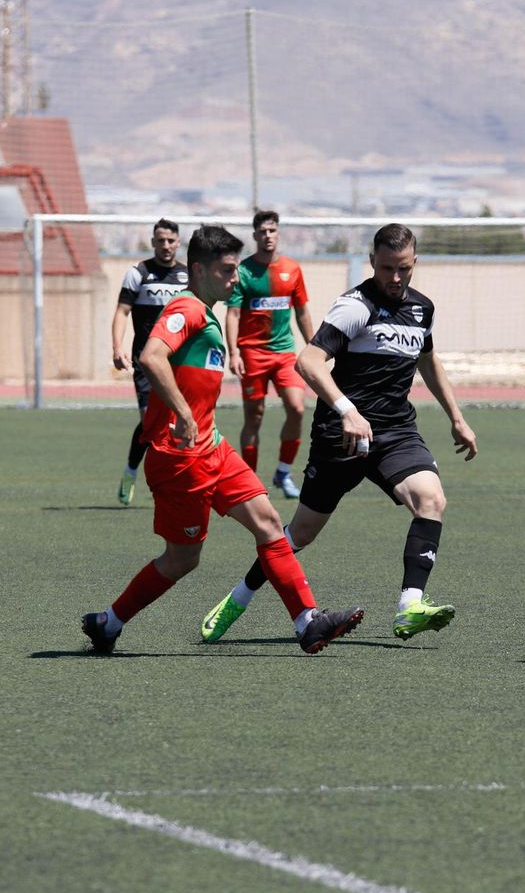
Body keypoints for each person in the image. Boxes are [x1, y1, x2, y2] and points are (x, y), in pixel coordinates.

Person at [81, 224, 362, 656]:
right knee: (182, 559)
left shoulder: (205, 312)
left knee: (269, 524)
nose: (236, 280)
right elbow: (150, 356)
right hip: (179, 458)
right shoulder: (187, 308)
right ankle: (110, 622)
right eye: (228, 271)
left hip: (211, 448)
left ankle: (308, 621)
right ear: (199, 269)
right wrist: (181, 412)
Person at [199, 223, 477, 645]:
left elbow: (428, 361)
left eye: (403, 268)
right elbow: (307, 362)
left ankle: (410, 607)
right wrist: (347, 411)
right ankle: (238, 598)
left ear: (415, 262)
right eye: (387, 268)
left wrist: (456, 417)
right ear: (372, 263)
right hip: (340, 434)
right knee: (301, 533)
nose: (395, 278)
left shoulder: (422, 309)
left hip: (395, 431)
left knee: (431, 498)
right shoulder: (355, 306)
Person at [226, 209, 313, 498]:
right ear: (254, 236)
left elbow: (301, 311)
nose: (267, 236)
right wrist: (234, 353)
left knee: (298, 409)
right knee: (255, 416)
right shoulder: (244, 271)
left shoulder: (292, 269)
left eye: (272, 231)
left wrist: (312, 346)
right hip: (252, 353)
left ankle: (283, 472)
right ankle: (250, 481)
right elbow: (233, 313)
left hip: (285, 353)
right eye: (262, 231)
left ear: (279, 233)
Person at [111, 218, 188, 506]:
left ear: (178, 242)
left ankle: (175, 479)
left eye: (170, 240)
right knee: (149, 421)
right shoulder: (138, 273)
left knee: (178, 418)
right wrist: (117, 347)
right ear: (153, 242)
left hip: (178, 361)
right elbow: (121, 312)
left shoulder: (187, 277)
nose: (166, 245)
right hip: (145, 360)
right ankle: (132, 471)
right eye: (160, 240)